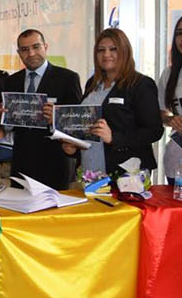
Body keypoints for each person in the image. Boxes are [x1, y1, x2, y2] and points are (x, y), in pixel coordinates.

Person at [59, 28, 163, 175]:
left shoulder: (141, 84)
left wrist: (114, 138)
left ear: (125, 51)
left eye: (113, 49)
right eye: (101, 50)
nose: (106, 54)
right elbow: (88, 129)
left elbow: (154, 131)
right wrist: (74, 149)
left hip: (126, 173)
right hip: (90, 170)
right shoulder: (92, 83)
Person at [4, 29, 82, 189]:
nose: (31, 53)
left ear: (45, 47)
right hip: (21, 162)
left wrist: (57, 118)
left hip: (55, 162)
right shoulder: (11, 82)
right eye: (25, 49)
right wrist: (4, 117)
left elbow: (78, 123)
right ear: (19, 53)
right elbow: (7, 127)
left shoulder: (68, 79)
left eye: (36, 47)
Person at [159, 17, 182, 184]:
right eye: (179, 33)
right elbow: (160, 111)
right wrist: (170, 119)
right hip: (176, 161)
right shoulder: (169, 74)